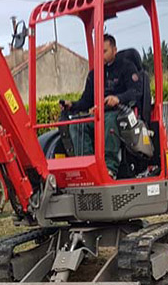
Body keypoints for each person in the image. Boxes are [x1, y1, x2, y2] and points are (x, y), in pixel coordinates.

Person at [61, 34, 142, 178]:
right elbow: (86, 101)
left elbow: (135, 91)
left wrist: (118, 98)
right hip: (99, 114)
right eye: (98, 51)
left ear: (114, 50)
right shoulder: (94, 75)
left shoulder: (126, 67)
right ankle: (87, 166)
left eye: (104, 51)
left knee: (108, 120)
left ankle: (109, 168)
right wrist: (71, 105)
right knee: (77, 125)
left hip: (121, 113)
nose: (101, 55)